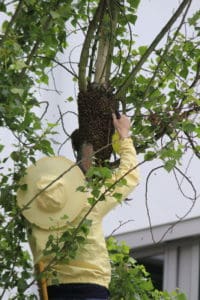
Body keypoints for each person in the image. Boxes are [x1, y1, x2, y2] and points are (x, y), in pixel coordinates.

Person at [17, 114, 140, 300]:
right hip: (92, 289)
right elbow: (129, 176)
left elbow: (37, 261)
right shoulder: (89, 203)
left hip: (53, 290)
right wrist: (123, 136)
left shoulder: (32, 219)